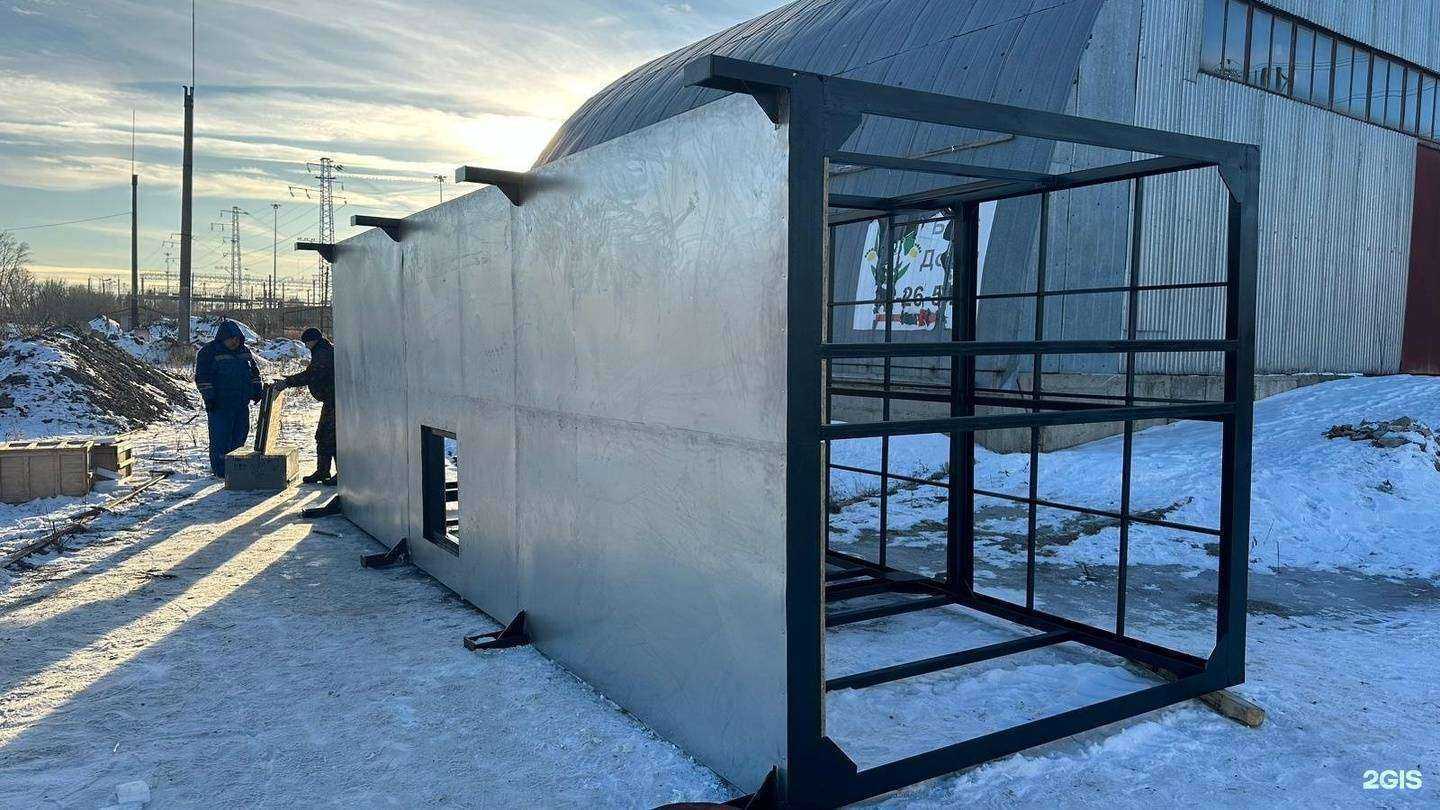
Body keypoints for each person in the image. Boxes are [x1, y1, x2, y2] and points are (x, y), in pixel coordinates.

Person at [194, 319, 262, 477]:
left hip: (241, 404)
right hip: (220, 405)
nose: (235, 342)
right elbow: (203, 378)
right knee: (221, 439)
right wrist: (209, 398)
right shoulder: (208, 352)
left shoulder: (244, 351)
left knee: (239, 436)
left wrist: (256, 390)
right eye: (232, 339)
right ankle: (221, 471)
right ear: (223, 338)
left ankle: (236, 468)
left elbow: (254, 373)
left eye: (237, 339)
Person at [276, 327, 337, 484]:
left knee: (332, 437)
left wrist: (287, 382)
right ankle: (323, 471)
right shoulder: (322, 351)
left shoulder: (323, 354)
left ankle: (337, 474)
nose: (305, 346)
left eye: (306, 343)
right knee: (323, 436)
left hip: (334, 401)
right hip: (331, 401)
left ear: (312, 341)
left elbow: (310, 375)